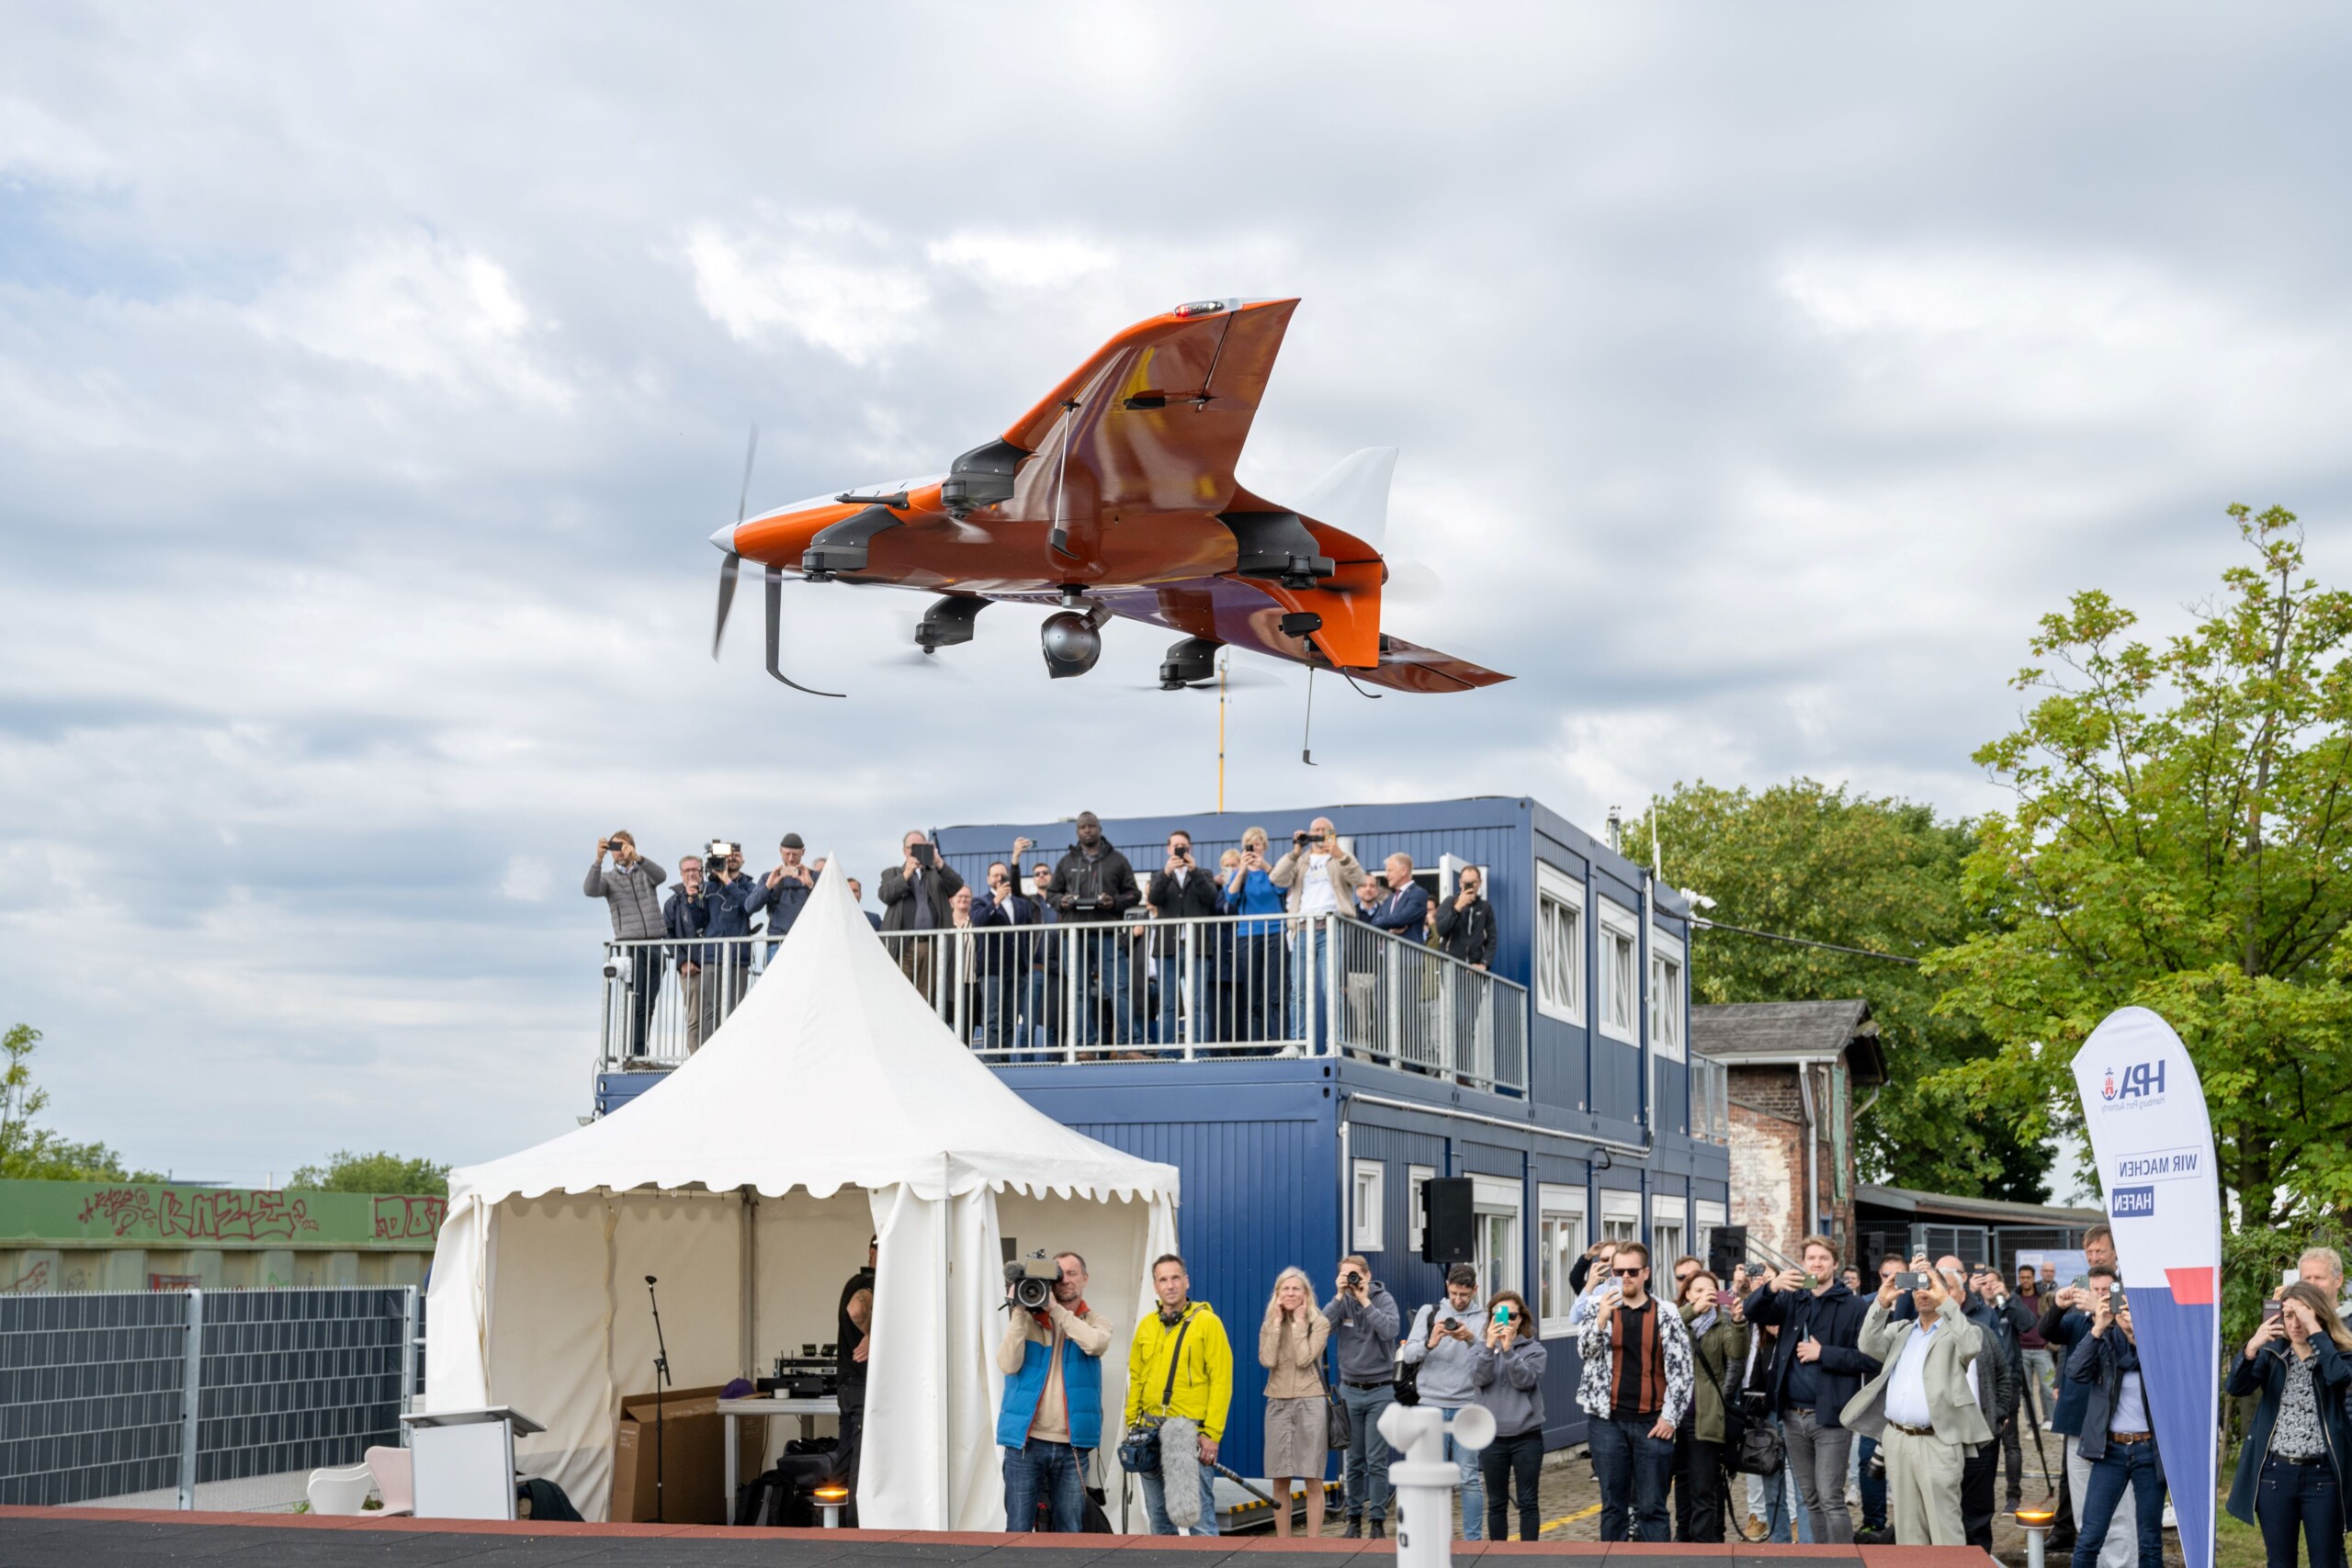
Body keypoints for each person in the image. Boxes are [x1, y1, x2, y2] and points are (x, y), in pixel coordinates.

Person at [1841, 1251, 1989, 1546]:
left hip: (1938, 1441)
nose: (1923, 1293)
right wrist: (1882, 1302)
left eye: (1931, 1286)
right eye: (1918, 1287)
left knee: (1944, 1527)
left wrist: (1942, 1295)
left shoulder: (1960, 1331)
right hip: (1898, 1439)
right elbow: (1867, 1344)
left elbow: (1971, 1346)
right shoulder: (1903, 1330)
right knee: (1909, 1532)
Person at [1741, 1235, 1878, 1544]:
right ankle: (1818, 1559)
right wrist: (1772, 1287)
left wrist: (1824, 1353)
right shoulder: (1793, 1298)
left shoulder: (1855, 1306)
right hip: (1791, 1415)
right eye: (1811, 1258)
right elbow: (1752, 1312)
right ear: (1803, 1264)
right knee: (1810, 1497)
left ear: (1835, 1264)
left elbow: (1870, 1359)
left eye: (1823, 1258)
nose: (1817, 1263)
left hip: (1830, 1417)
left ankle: (1842, 1562)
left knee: (1830, 1497)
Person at [1576, 1240, 1694, 1541]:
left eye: (1631, 1271)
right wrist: (1602, 1318)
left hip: (1652, 1423)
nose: (1625, 1276)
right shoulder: (1595, 1307)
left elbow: (1682, 1372)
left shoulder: (1666, 1312)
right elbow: (1585, 1352)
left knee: (1653, 1507)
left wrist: (1670, 1418)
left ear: (1645, 1273)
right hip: (1607, 1423)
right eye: (1618, 1271)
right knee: (1613, 1507)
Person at [2227, 1281, 2352, 1568]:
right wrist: (2251, 1348)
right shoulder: (2273, 1353)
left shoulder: (2336, 1353)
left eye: (2302, 1315)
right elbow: (2236, 1387)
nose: (2294, 1324)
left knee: (2328, 1561)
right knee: (2280, 1562)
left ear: (2318, 1315)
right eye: (2288, 1315)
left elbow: (2338, 1378)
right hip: (2275, 1475)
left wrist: (2316, 1332)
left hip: (2323, 1477)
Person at [998, 1250, 1114, 1533]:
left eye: (1072, 1273)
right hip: (1026, 1443)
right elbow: (1007, 1364)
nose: (1065, 1281)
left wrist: (1055, 1310)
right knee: (1018, 1531)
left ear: (1085, 1279)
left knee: (1070, 1531)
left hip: (1071, 1446)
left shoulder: (1096, 1322)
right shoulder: (1028, 1322)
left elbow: (1096, 1344)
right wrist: (1019, 1311)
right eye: (1058, 1275)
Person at [1125, 1255, 1231, 1536]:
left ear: (1186, 1281)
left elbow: (1222, 1381)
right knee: (1159, 1519)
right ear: (1155, 1286)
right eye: (1163, 1279)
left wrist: (1212, 1434)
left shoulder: (1208, 1322)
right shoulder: (1147, 1325)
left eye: (1175, 1278)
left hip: (1190, 1433)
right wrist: (1131, 1422)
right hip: (1149, 1432)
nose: (1170, 1285)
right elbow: (1135, 1376)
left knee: (1199, 1519)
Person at [2046, 1235, 2134, 1568]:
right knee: (2085, 1510)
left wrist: (2119, 1323)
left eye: (2100, 1250)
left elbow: (2134, 1360)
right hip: (2079, 1420)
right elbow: (2058, 1342)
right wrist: (2065, 1306)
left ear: (2115, 1254)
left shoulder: (2130, 1301)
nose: (2094, 1256)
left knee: (2121, 1514)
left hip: (2121, 1427)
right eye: (2089, 1251)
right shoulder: (2079, 1309)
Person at [2066, 1278, 2163, 1568]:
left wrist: (2143, 1337)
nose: (2126, 1316)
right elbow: (2075, 1372)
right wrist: (2098, 1326)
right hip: (2111, 1451)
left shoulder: (2158, 1345)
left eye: (2132, 1310)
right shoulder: (2105, 1341)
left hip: (2149, 1452)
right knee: (2090, 1537)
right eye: (2121, 1310)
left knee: (2150, 1541)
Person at [1399, 1263, 1488, 1538]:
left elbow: (1490, 1360)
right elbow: (1408, 1354)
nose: (1459, 1300)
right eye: (1453, 1294)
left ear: (1475, 1290)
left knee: (1469, 1479)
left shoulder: (1484, 1318)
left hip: (1467, 1406)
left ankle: (1473, 1542)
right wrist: (1430, 1342)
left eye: (1464, 1294)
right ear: (1446, 1288)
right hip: (1430, 1405)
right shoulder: (1430, 1313)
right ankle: (1432, 1539)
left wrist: (1471, 1339)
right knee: (1433, 1480)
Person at [1324, 1254, 1401, 1539]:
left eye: (1355, 1275)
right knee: (1353, 1460)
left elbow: (1390, 1330)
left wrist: (1365, 1301)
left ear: (1367, 1276)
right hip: (1350, 1390)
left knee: (1376, 1459)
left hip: (1380, 1390)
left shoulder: (1383, 1299)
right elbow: (1320, 1329)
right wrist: (1337, 1295)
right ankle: (1354, 1519)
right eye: (1346, 1275)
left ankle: (1377, 1521)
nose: (1352, 1280)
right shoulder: (1341, 1301)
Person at [1270, 818, 1363, 1049]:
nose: (1320, 834)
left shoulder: (1338, 858)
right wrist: (1295, 850)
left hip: (1330, 926)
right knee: (1298, 989)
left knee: (1330, 987)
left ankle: (1336, 1041)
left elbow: (1359, 878)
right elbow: (1276, 878)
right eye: (1316, 830)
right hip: (1303, 928)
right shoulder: (1301, 861)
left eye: (1325, 830)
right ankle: (1297, 1041)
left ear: (1332, 833)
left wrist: (1339, 852)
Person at [1052, 812, 1142, 1048]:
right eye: (1083, 827)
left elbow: (1135, 894)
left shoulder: (1118, 860)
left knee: (1119, 988)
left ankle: (1127, 1045)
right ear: (1077, 832)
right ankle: (1083, 1046)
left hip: (1108, 933)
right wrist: (1063, 901)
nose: (1087, 830)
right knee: (1079, 991)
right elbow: (1052, 894)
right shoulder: (1066, 862)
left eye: (1092, 826)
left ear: (1100, 829)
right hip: (1075, 933)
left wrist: (1114, 902)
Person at [1258, 1268, 1332, 1539]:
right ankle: (1283, 1543)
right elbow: (1267, 1360)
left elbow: (1304, 1359)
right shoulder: (1269, 1325)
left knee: (1313, 1477)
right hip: (1277, 1402)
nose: (1290, 1293)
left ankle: (1312, 1544)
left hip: (1310, 1402)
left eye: (1295, 1289)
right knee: (1280, 1478)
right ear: (1277, 1294)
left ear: (1306, 1294)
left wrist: (1300, 1323)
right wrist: (1277, 1325)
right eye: (1284, 1289)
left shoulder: (1320, 1323)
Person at [1678, 1269, 1749, 1543]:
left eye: (1710, 1291)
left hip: (1705, 1415)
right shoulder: (1677, 1319)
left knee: (1703, 1486)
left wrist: (1739, 1322)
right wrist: (1693, 1310)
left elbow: (1738, 1352)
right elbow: (1665, 1334)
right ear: (1687, 1294)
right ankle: (1681, 1539)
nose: (1705, 1296)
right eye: (1698, 1290)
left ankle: (1703, 1546)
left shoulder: (1722, 1324)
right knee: (1679, 1484)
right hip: (1670, 1418)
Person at [1475, 1288, 1549, 1541]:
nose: (1507, 1321)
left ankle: (1527, 1557)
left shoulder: (1535, 1350)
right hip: (1492, 1437)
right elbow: (1478, 1378)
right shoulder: (1481, 1349)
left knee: (1528, 1501)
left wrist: (1508, 1351)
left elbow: (1525, 1380)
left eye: (1512, 1316)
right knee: (1496, 1503)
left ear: (1521, 1319)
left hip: (1526, 1436)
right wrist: (1489, 1347)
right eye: (1499, 1315)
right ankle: (1497, 1557)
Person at [585, 832, 668, 1058]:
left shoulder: (645, 872)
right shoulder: (609, 878)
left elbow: (661, 876)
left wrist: (639, 858)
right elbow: (590, 890)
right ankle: (636, 1050)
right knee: (637, 998)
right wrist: (598, 861)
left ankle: (640, 1047)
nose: (619, 851)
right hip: (630, 945)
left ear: (632, 847)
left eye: (623, 846)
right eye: (614, 847)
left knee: (648, 1001)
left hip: (655, 943)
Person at [1147, 829, 1223, 1047]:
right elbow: (1153, 898)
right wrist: (1166, 873)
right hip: (1168, 947)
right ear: (1169, 849)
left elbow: (1211, 898)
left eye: (1184, 846)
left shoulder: (1204, 873)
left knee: (1198, 1003)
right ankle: (1168, 1051)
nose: (1180, 850)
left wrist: (1194, 870)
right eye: (1176, 846)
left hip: (1196, 947)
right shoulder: (1158, 875)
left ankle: (1199, 1050)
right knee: (1168, 1003)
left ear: (1190, 849)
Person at [1221, 828, 1288, 1046]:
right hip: (1248, 935)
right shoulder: (1240, 873)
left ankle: (1279, 1043)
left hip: (1275, 932)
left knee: (1276, 991)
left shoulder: (1273, 870)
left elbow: (1283, 887)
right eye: (1249, 845)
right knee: (1252, 994)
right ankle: (1254, 1046)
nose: (1254, 848)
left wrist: (1265, 866)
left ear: (1264, 846)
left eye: (1257, 844)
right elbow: (1230, 897)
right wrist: (1242, 869)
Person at [880, 829, 964, 998]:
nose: (916, 851)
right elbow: (885, 895)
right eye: (912, 847)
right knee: (900, 994)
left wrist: (939, 862)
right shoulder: (893, 872)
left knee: (924, 997)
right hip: (903, 945)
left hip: (930, 945)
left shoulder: (936, 873)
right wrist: (906, 875)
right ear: (905, 851)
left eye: (921, 847)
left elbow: (956, 885)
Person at [836, 1236, 877, 1508]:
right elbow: (856, 1308)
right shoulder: (870, 1284)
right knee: (861, 1464)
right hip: (863, 1387)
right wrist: (871, 1333)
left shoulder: (854, 1281)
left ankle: (833, 1523)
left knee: (846, 1456)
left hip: (848, 1385)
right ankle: (854, 1527)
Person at [662, 853, 707, 1053]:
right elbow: (667, 935)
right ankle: (697, 1060)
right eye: (687, 871)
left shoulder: (712, 894)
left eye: (695, 870)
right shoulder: (673, 903)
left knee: (717, 1015)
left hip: (714, 963)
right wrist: (682, 962)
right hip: (690, 969)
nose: (691, 874)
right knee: (694, 1018)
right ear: (681, 874)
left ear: (702, 871)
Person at [746, 832, 815, 957]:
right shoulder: (768, 877)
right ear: (780, 851)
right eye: (787, 854)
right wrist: (768, 887)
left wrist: (811, 886)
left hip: (808, 942)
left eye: (795, 854)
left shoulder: (814, 877)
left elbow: (830, 906)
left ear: (803, 852)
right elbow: (749, 907)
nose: (791, 859)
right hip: (777, 943)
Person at [1433, 865, 1496, 969]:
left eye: (1473, 882)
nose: (1470, 886)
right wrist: (1457, 908)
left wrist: (1484, 964)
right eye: (1466, 883)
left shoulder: (1485, 908)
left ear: (1480, 882)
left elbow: (1492, 939)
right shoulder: (1449, 902)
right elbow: (1440, 930)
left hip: (1475, 969)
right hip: (1451, 966)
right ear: (1460, 883)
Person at [2297, 1247, 2352, 1318]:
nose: (2312, 1284)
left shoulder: (2349, 1319)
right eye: (2307, 1278)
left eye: (2319, 1278)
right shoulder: (2294, 1322)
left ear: (2338, 1280)